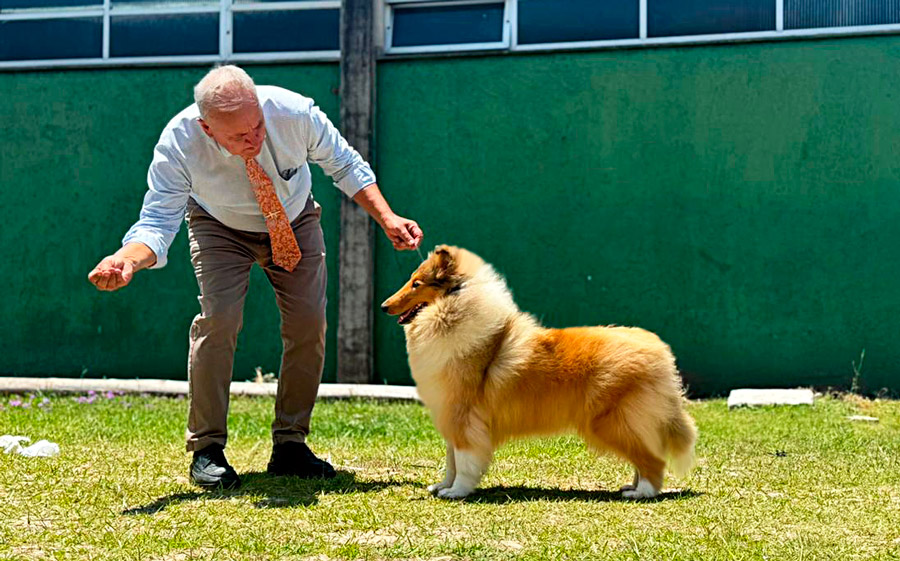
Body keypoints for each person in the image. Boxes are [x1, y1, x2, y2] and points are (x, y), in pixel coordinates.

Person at [87, 65, 423, 490]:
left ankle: (290, 445)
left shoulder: (293, 111)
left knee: (307, 324)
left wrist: (387, 217)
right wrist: (128, 260)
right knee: (220, 319)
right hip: (217, 224)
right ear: (207, 129)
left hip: (295, 219)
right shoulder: (178, 143)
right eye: (239, 136)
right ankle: (206, 448)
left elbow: (345, 163)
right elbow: (157, 220)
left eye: (258, 125)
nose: (255, 138)